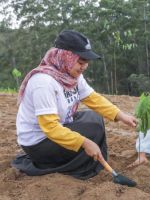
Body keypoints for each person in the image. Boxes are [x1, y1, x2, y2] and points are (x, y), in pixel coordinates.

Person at [12, 30, 137, 180]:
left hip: (58, 127)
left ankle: (92, 161)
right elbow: (50, 128)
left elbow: (92, 98)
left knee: (94, 118)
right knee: (91, 130)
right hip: (38, 143)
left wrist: (120, 115)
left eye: (86, 62)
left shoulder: (72, 75)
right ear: (65, 57)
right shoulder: (43, 83)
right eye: (81, 62)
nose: (84, 67)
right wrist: (84, 142)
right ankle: (79, 169)